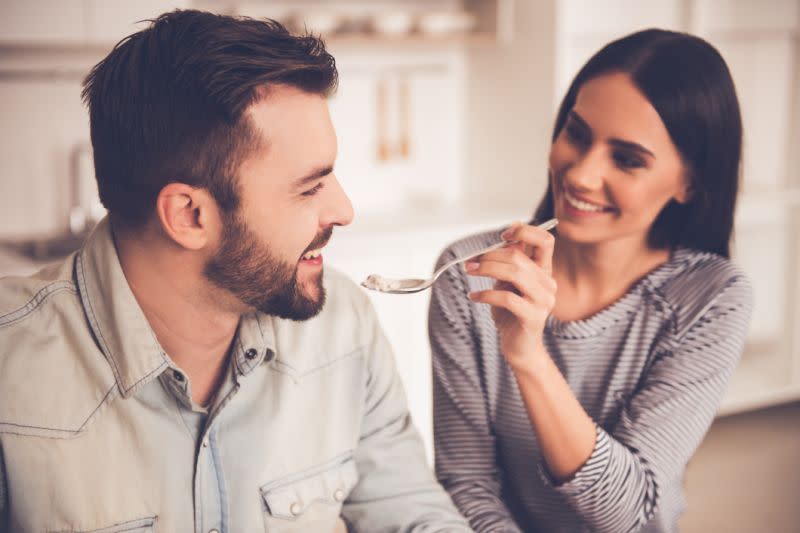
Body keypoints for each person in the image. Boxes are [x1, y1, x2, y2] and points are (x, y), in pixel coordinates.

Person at [0, 10, 471, 533]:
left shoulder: (345, 328)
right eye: (309, 188)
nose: (344, 211)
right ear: (190, 215)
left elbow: (411, 513)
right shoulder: (10, 367)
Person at [429, 28, 753, 533]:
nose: (580, 174)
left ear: (689, 182)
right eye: (576, 134)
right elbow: (466, 484)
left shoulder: (711, 297)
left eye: (626, 159)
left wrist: (528, 356)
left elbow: (625, 511)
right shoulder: (470, 272)